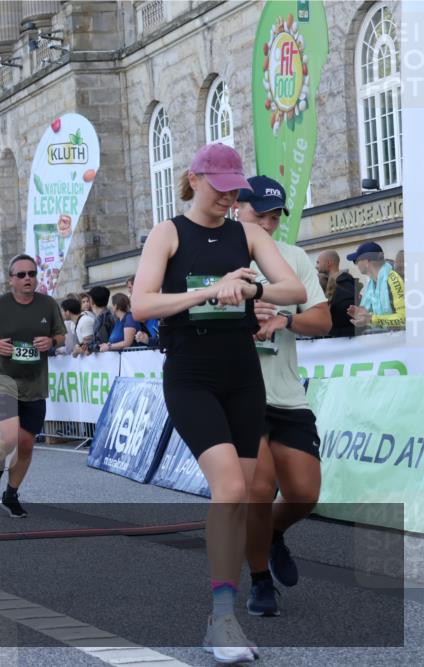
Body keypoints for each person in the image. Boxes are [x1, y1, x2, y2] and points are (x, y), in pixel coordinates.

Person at [131, 143, 305, 663]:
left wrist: (252, 291)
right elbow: (141, 305)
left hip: (242, 375)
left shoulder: (247, 233)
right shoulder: (168, 233)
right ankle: (223, 618)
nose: (229, 197)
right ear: (195, 179)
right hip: (190, 374)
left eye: (235, 189)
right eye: (221, 187)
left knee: (243, 494)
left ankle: (224, 616)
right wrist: (209, 291)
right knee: (229, 487)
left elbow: (293, 288)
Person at [236, 176, 332, 617]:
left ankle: (272, 535)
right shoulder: (216, 257)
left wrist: (284, 320)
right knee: (259, 487)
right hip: (239, 393)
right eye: (260, 214)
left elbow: (322, 321)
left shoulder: (292, 257)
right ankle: (260, 581)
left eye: (275, 217)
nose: (268, 224)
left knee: (304, 494)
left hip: (288, 394)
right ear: (237, 208)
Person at [0, 254, 66, 518]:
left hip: (34, 383)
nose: (28, 279)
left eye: (32, 274)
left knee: (25, 445)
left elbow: (61, 335)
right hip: (3, 378)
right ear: (11, 279)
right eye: (21, 275)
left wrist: (51, 342)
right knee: (10, 436)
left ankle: (11, 494)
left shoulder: (47, 304)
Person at [346, 241, 405, 331]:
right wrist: (363, 316)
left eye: (356, 261)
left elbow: (404, 318)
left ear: (366, 261)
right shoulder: (372, 284)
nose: (356, 264)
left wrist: (371, 319)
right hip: (388, 336)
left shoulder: (393, 279)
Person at [315, 250, 359, 337]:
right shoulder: (329, 284)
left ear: (329, 263)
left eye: (318, 262)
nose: (316, 266)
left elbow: (346, 314)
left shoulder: (344, 285)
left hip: (345, 340)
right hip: (336, 339)